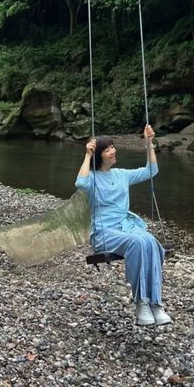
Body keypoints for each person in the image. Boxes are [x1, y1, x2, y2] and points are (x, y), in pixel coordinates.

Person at [75, 124, 172, 327]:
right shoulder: (92, 178)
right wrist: (86, 155)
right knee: (138, 242)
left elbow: (151, 170)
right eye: (108, 149)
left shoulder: (121, 175)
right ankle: (141, 303)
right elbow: (80, 184)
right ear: (99, 155)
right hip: (104, 233)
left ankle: (156, 303)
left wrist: (149, 144)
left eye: (113, 146)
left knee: (150, 241)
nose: (113, 151)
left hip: (127, 227)